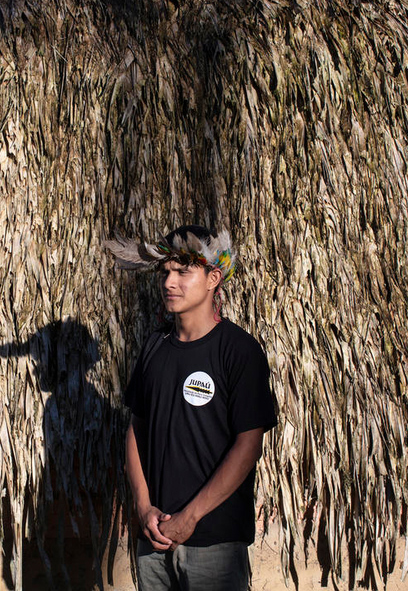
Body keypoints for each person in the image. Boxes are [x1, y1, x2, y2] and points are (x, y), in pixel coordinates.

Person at [105, 225, 277, 591]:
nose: (170, 281)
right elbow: (136, 429)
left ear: (214, 277)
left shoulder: (239, 352)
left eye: (183, 271)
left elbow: (249, 445)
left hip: (214, 542)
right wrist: (143, 507)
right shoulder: (154, 348)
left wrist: (191, 516)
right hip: (153, 541)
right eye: (166, 271)